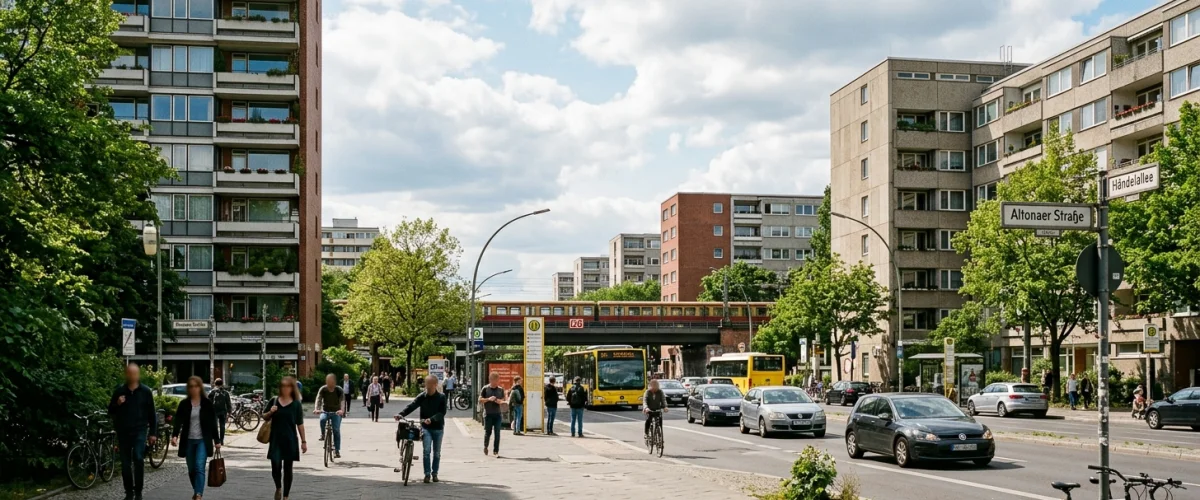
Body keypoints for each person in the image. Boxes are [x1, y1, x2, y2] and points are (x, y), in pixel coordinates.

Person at [107, 363, 158, 500]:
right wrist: (117, 404)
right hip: (123, 431)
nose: (132, 376)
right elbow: (110, 410)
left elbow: (152, 413)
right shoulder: (120, 391)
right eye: (130, 373)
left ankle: (138, 492)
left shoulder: (145, 391)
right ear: (126, 375)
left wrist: (153, 433)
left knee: (138, 458)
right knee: (125, 463)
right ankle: (129, 492)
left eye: (135, 373)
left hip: (140, 430)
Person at [171, 376, 221, 500]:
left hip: (202, 440)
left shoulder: (207, 403)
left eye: (196, 386)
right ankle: (196, 490)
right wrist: (175, 436)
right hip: (188, 440)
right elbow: (178, 421)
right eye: (191, 386)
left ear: (200, 387)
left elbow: (213, 423)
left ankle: (198, 494)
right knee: (191, 469)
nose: (194, 389)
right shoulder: (184, 404)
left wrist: (217, 440)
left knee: (199, 467)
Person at [397, 375, 448, 483]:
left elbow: (442, 412)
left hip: (438, 428)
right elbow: (412, 406)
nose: (427, 386)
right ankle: (427, 474)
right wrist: (401, 414)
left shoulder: (441, 397)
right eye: (426, 384)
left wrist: (432, 419)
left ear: (435, 385)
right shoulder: (422, 396)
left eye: (429, 384)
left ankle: (435, 473)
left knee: (437, 452)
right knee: (426, 451)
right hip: (426, 428)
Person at [265, 376, 307, 500]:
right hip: (275, 440)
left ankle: (286, 496)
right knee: (275, 467)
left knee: (288, 469)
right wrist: (271, 412)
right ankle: (278, 487)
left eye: (288, 386)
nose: (285, 388)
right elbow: (264, 416)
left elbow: (300, 424)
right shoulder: (274, 400)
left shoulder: (296, 404)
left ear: (292, 388)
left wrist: (304, 441)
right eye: (283, 386)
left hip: (290, 440)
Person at [314, 374, 345, 458]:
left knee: (336, 430)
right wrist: (317, 409)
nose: (330, 383)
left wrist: (342, 410)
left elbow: (342, 401)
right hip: (325, 411)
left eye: (331, 381)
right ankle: (323, 434)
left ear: (334, 382)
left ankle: (337, 450)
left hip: (336, 412)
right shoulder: (323, 389)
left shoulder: (339, 390)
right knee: (322, 420)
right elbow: (318, 399)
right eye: (328, 381)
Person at [479, 372, 505, 456]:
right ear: (490, 380)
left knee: (497, 433)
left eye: (497, 380)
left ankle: (496, 450)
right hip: (488, 414)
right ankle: (485, 446)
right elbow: (480, 400)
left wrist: (497, 400)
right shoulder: (485, 389)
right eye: (494, 380)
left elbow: (503, 401)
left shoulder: (500, 390)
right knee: (488, 432)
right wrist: (488, 399)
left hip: (497, 414)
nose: (496, 382)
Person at [208, 378, 232, 444]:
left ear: (215, 384)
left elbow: (208, 402)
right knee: (222, 426)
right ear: (222, 384)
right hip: (223, 411)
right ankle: (221, 440)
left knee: (215, 426)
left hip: (214, 411)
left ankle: (216, 440)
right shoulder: (225, 392)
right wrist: (229, 411)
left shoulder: (212, 392)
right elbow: (228, 402)